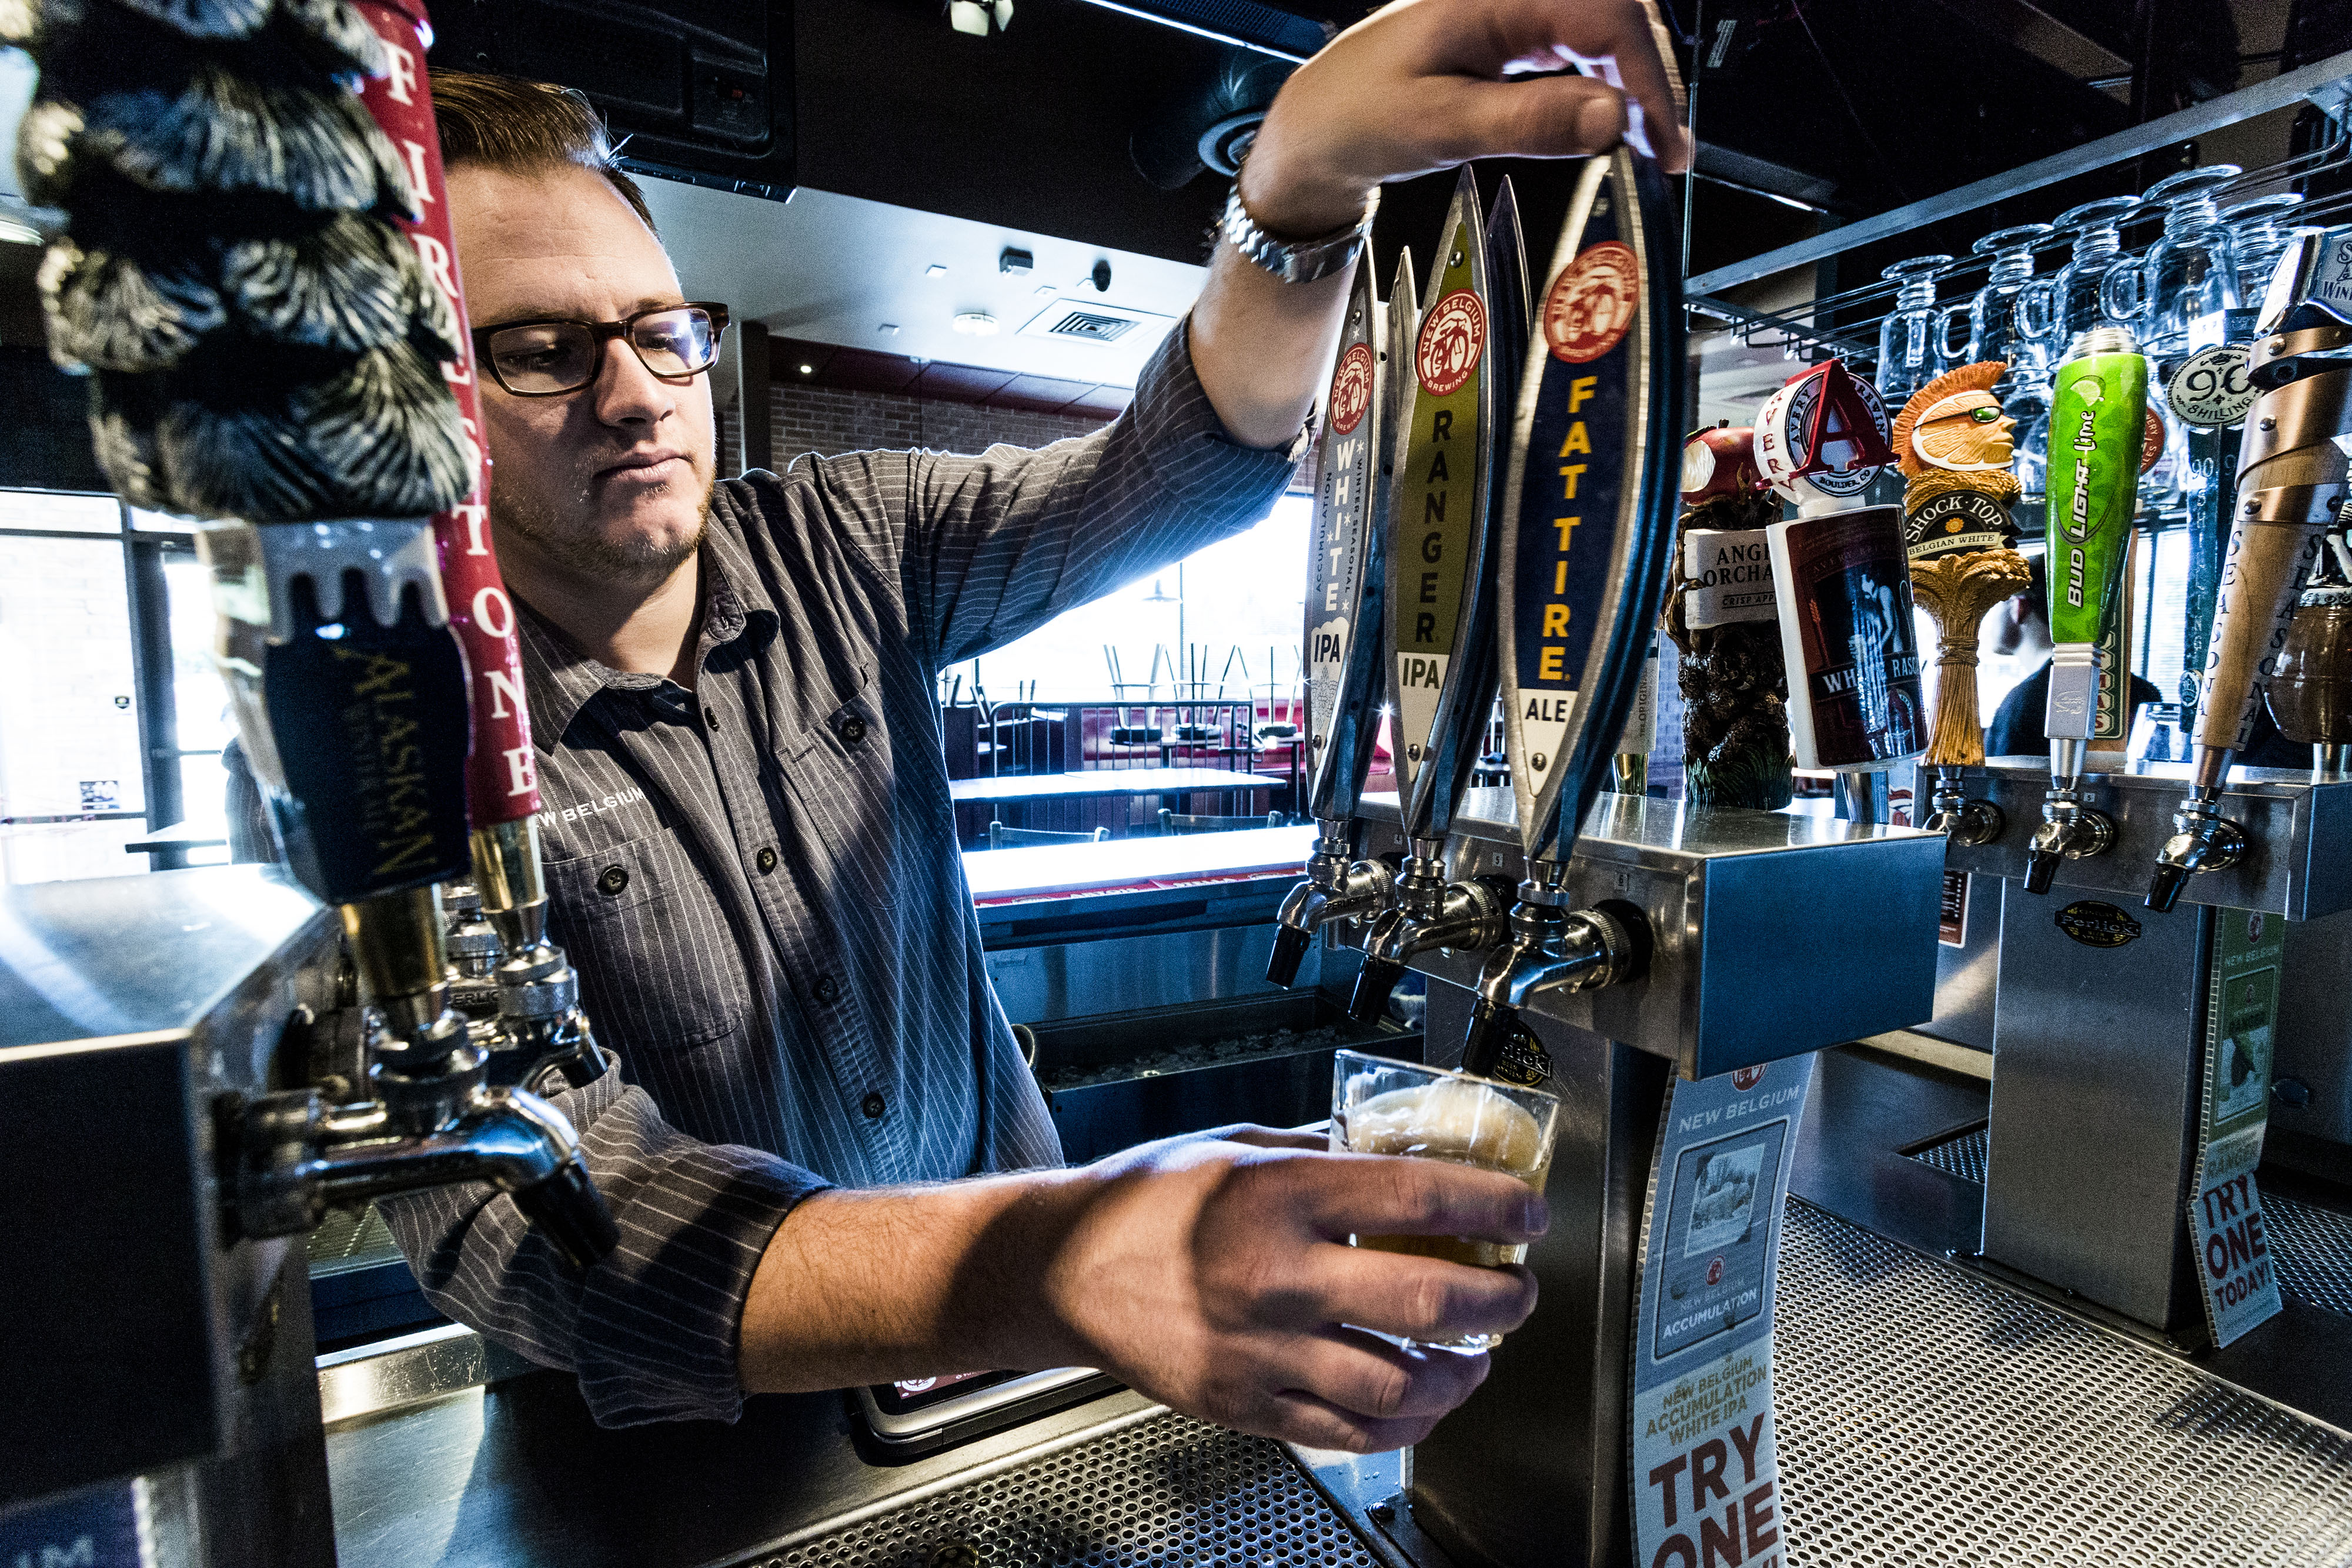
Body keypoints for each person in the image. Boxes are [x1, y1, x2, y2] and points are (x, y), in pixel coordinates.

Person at [233, 1, 1690, 1452]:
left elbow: (1169, 473)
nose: (635, 396)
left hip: (1002, 1380)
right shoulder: (392, 738)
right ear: (422, 398)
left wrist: (1294, 189)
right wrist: (1052, 1260)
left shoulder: (846, 539)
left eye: (662, 333)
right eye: (544, 350)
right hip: (697, 1450)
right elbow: (517, 1214)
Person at [1982, 553, 2301, 765]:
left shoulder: (2022, 702)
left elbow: (2002, 796)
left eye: (1994, 602)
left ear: (2019, 607)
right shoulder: (2141, 689)